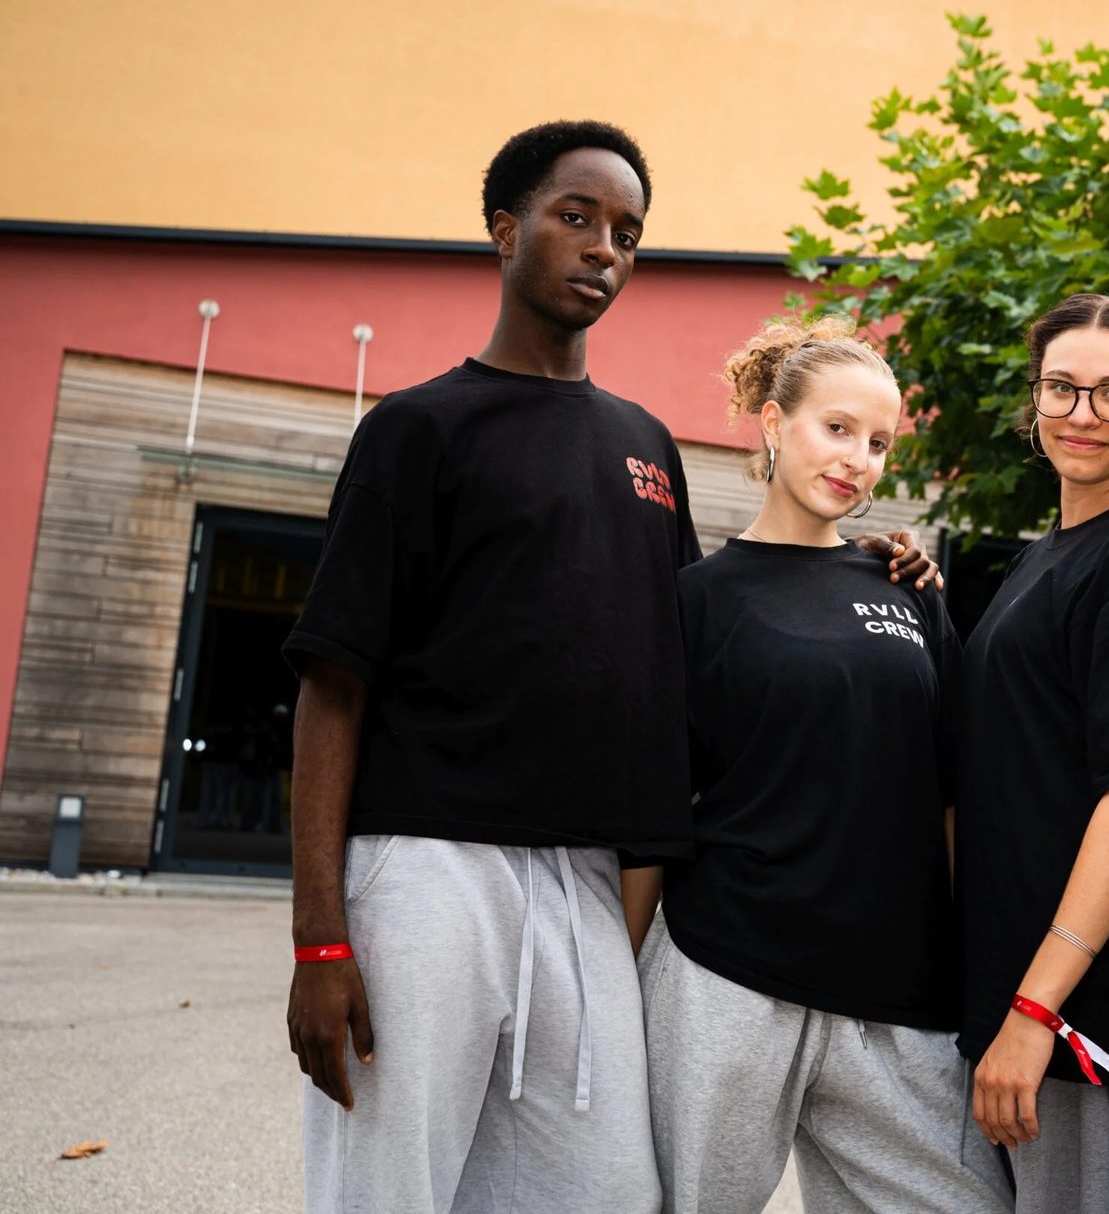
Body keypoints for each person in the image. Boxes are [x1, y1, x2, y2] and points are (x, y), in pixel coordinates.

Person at [281, 122, 936, 1213]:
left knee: (606, 1192)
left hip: (586, 885)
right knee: (387, 1187)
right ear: (506, 230)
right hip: (429, 866)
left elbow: (685, 649)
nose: (603, 248)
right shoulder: (415, 428)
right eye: (575, 217)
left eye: (626, 231)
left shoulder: (644, 445)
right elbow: (332, 683)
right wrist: (319, 935)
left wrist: (857, 564)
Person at [628, 318, 1010, 1214]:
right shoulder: (696, 600)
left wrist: (977, 973)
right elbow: (651, 808)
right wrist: (612, 978)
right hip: (726, 973)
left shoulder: (907, 590)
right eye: (837, 429)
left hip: (897, 992)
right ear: (772, 422)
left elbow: (954, 796)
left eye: (879, 443)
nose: (859, 459)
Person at [957, 295, 1109, 1213]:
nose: (1082, 415)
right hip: (1015, 989)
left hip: (1080, 1013)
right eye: (1062, 388)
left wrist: (1037, 1013)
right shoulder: (1049, 554)